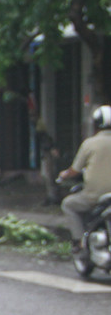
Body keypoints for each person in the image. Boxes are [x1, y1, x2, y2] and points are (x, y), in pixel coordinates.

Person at [58, 105, 111, 249]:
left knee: (68, 204)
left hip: (95, 196)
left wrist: (64, 175)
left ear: (95, 124)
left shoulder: (89, 144)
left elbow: (74, 170)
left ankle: (79, 242)